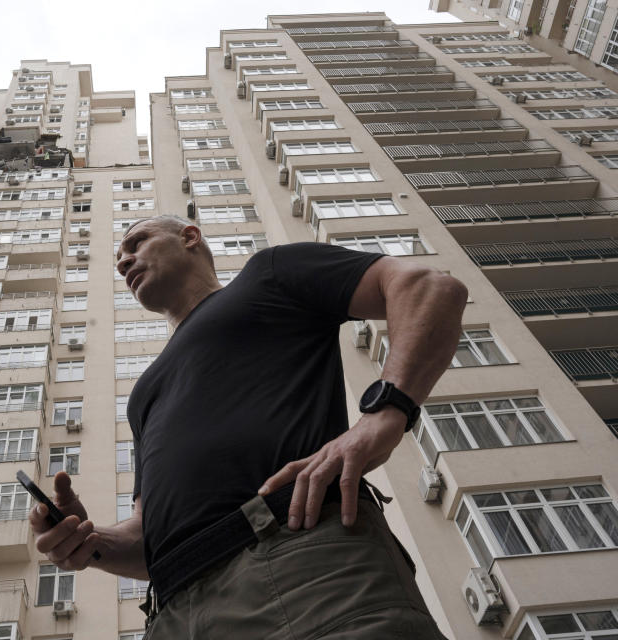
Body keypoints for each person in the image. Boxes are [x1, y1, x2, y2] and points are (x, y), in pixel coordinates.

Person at [29, 215, 467, 638]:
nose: (123, 260)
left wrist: (384, 414)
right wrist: (89, 540)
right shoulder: (144, 393)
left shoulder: (268, 274)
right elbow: (148, 537)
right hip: (171, 611)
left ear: (190, 237)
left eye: (137, 242)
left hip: (300, 561)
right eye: (119, 256)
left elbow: (428, 288)